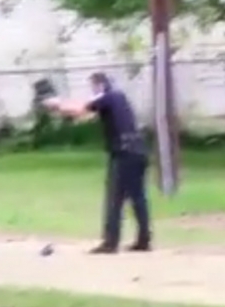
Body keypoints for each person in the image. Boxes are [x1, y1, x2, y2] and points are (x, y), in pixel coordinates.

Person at [41, 72, 151, 254]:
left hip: (123, 152)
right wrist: (63, 108)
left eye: (92, 87)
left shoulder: (106, 96)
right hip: (139, 151)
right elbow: (86, 114)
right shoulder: (118, 97)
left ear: (99, 85)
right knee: (138, 197)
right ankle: (144, 239)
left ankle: (110, 242)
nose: (91, 91)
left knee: (114, 197)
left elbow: (81, 110)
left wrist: (57, 104)